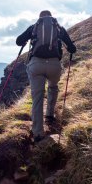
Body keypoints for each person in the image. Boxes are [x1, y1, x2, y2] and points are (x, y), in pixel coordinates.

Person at [16, 10, 76, 143]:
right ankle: (49, 115)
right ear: (51, 17)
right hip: (54, 65)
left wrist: (28, 40)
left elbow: (18, 41)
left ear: (40, 19)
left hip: (36, 64)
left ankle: (37, 132)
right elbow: (72, 49)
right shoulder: (59, 28)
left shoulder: (34, 27)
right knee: (53, 87)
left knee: (37, 97)